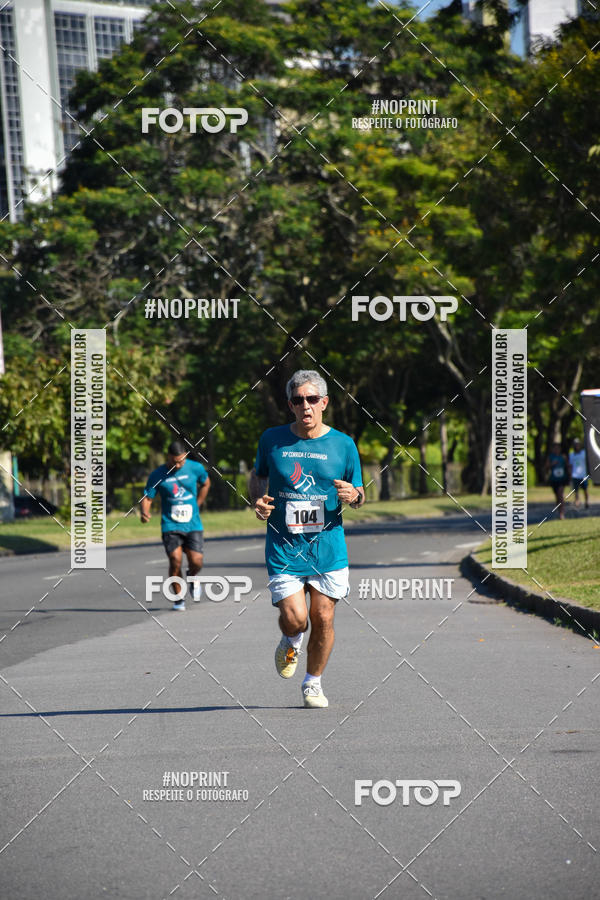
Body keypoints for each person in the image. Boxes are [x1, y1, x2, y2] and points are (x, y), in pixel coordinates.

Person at [250, 370, 364, 709]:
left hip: (328, 547)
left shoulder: (344, 444)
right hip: (285, 547)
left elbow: (359, 493)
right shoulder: (272, 440)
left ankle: (312, 683)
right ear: (290, 405)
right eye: (298, 400)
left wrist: (353, 496)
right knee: (298, 618)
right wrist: (257, 499)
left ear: (324, 402)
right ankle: (291, 637)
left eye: (312, 399)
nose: (306, 406)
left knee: (324, 617)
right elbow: (258, 477)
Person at [141, 440, 211, 610]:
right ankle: (179, 599)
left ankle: (192, 576)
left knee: (197, 561)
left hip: (193, 523)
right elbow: (148, 496)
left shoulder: (195, 467)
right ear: (168, 457)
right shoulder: (158, 474)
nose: (179, 464)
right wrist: (144, 512)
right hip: (170, 524)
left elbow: (206, 483)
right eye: (175, 461)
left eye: (182, 460)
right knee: (175, 560)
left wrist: (199, 502)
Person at [545, 441, 569, 520]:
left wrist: (570, 475)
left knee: (560, 494)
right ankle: (559, 511)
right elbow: (546, 467)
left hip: (562, 479)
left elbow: (567, 466)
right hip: (554, 479)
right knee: (557, 496)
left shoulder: (563, 457)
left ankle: (562, 512)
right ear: (553, 449)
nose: (556, 450)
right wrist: (552, 464)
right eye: (555, 448)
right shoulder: (550, 457)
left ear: (560, 449)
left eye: (558, 448)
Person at [569, 438, 589, 509]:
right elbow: (570, 466)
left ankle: (587, 502)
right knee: (576, 490)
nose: (576, 446)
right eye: (575, 445)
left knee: (585, 489)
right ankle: (577, 501)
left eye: (577, 444)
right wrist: (570, 474)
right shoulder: (571, 455)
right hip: (575, 475)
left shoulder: (584, 453)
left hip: (583, 475)